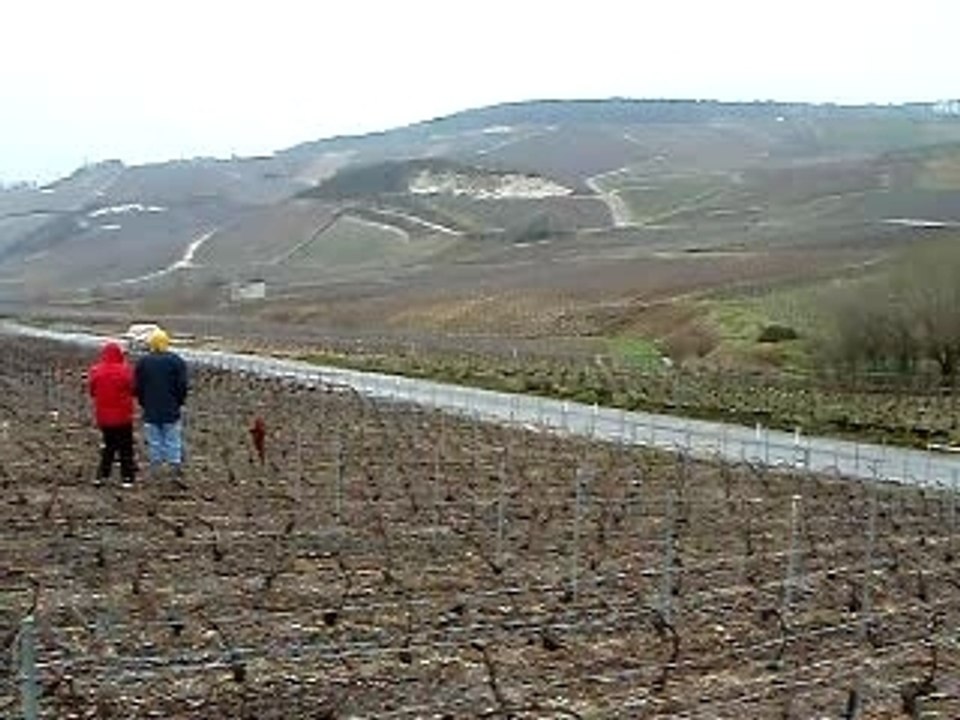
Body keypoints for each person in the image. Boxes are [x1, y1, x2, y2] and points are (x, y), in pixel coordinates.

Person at [135, 328, 189, 479]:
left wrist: (143, 402)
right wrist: (179, 402)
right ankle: (174, 466)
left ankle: (156, 467)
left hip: (150, 408)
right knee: (172, 438)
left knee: (154, 440)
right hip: (171, 407)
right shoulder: (176, 361)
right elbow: (182, 386)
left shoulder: (143, 362)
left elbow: (137, 387)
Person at [88, 341, 137, 487]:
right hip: (123, 416)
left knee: (108, 445)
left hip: (104, 417)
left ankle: (102, 475)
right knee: (125, 447)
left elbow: (92, 391)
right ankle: (127, 477)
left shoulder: (96, 371)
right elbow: (133, 388)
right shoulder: (126, 370)